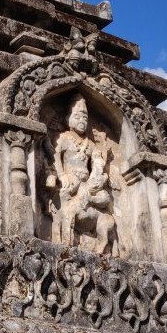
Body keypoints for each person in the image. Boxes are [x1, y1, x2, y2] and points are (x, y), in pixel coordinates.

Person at [49, 94, 118, 255]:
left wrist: (102, 160)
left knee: (103, 198)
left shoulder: (91, 144)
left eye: (85, 117)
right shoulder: (63, 138)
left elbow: (96, 163)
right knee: (64, 204)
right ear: (68, 119)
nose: (82, 120)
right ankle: (64, 238)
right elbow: (55, 157)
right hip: (70, 179)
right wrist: (62, 176)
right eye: (77, 116)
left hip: (87, 182)